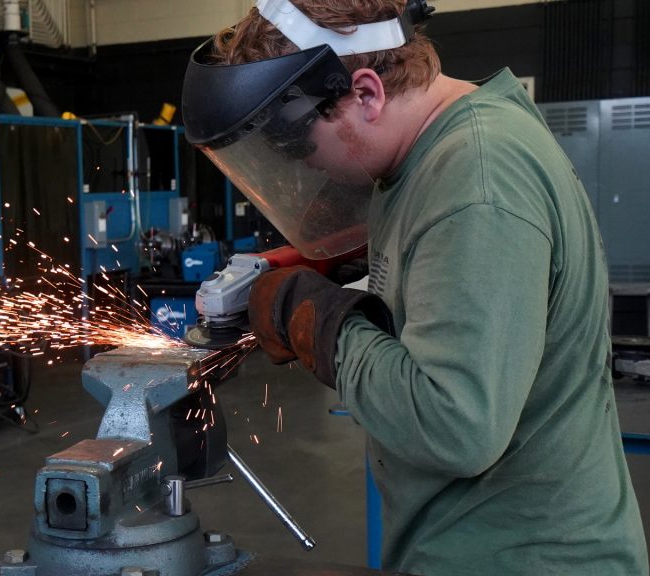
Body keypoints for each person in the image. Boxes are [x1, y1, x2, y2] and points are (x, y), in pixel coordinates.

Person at [181, 0, 649, 574]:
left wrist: (316, 318)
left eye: (305, 148)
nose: (313, 169)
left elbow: (454, 425)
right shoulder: (441, 144)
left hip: (522, 558)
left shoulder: (476, 178)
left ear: (367, 94)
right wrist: (332, 261)